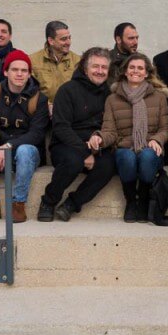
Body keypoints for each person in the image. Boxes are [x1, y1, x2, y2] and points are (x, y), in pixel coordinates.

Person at [40, 48, 117, 222]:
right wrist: (85, 152)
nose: (100, 71)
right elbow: (60, 127)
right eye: (95, 66)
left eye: (104, 67)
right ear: (85, 68)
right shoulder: (67, 90)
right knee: (73, 162)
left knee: (109, 165)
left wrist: (98, 143)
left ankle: (71, 204)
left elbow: (112, 126)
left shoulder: (109, 94)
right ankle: (49, 201)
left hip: (97, 145)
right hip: (65, 145)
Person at [97, 53, 168, 223]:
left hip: (151, 148)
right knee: (127, 157)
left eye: (140, 68)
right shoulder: (112, 99)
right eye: (132, 67)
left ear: (146, 73)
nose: (135, 71)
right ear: (125, 71)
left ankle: (143, 199)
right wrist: (99, 138)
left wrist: (157, 139)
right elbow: (110, 130)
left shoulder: (159, 98)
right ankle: (131, 201)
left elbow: (165, 128)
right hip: (124, 148)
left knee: (146, 155)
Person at [0, 49, 49, 224]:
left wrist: (6, 147)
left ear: (29, 73)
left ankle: (18, 204)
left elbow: (36, 134)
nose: (19, 74)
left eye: (24, 71)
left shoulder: (39, 98)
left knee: (25, 150)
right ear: (6, 71)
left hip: (26, 152)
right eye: (15, 69)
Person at [30, 20, 81, 103]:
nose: (69, 42)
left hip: (70, 111)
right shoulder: (33, 61)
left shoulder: (77, 61)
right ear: (51, 41)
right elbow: (31, 91)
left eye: (69, 38)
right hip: (43, 111)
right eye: (64, 39)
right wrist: (46, 106)